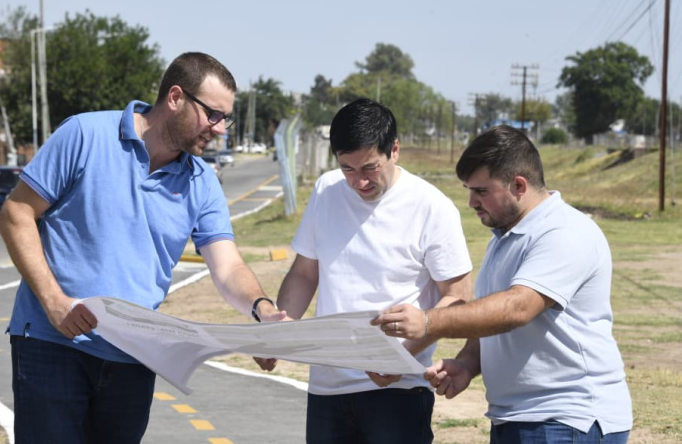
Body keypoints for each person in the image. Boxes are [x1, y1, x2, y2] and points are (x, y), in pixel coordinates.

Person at [0, 52, 288, 443]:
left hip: (133, 357)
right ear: (175, 98)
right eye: (213, 115)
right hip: (53, 344)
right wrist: (54, 302)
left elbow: (228, 267)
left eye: (226, 118)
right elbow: (16, 213)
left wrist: (263, 311)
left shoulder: (202, 181)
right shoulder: (84, 135)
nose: (220, 129)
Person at [372, 125, 633, 443]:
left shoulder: (564, 232)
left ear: (519, 185)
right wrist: (467, 363)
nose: (471, 202)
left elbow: (517, 308)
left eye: (481, 191)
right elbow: (494, 319)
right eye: (469, 189)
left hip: (566, 419)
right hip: (524, 417)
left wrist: (427, 321)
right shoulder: (507, 235)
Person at [256, 98, 473, 444]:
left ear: (395, 150)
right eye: (348, 169)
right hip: (327, 389)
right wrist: (281, 333)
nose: (359, 182)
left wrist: (400, 354)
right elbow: (304, 274)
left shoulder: (432, 206)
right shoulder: (326, 190)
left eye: (369, 168)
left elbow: (458, 298)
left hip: (399, 388)